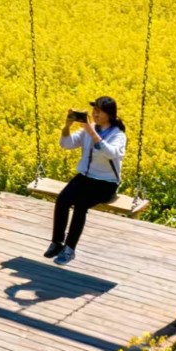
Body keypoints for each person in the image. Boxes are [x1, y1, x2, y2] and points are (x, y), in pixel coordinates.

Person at [44, 95, 127, 265]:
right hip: (85, 178)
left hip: (106, 183)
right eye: (94, 110)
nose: (95, 114)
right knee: (62, 200)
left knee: (81, 205)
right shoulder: (89, 129)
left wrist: (91, 131)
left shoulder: (118, 135)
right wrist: (67, 126)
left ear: (109, 114)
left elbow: (110, 153)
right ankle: (57, 242)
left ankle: (70, 249)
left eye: (99, 111)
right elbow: (67, 144)